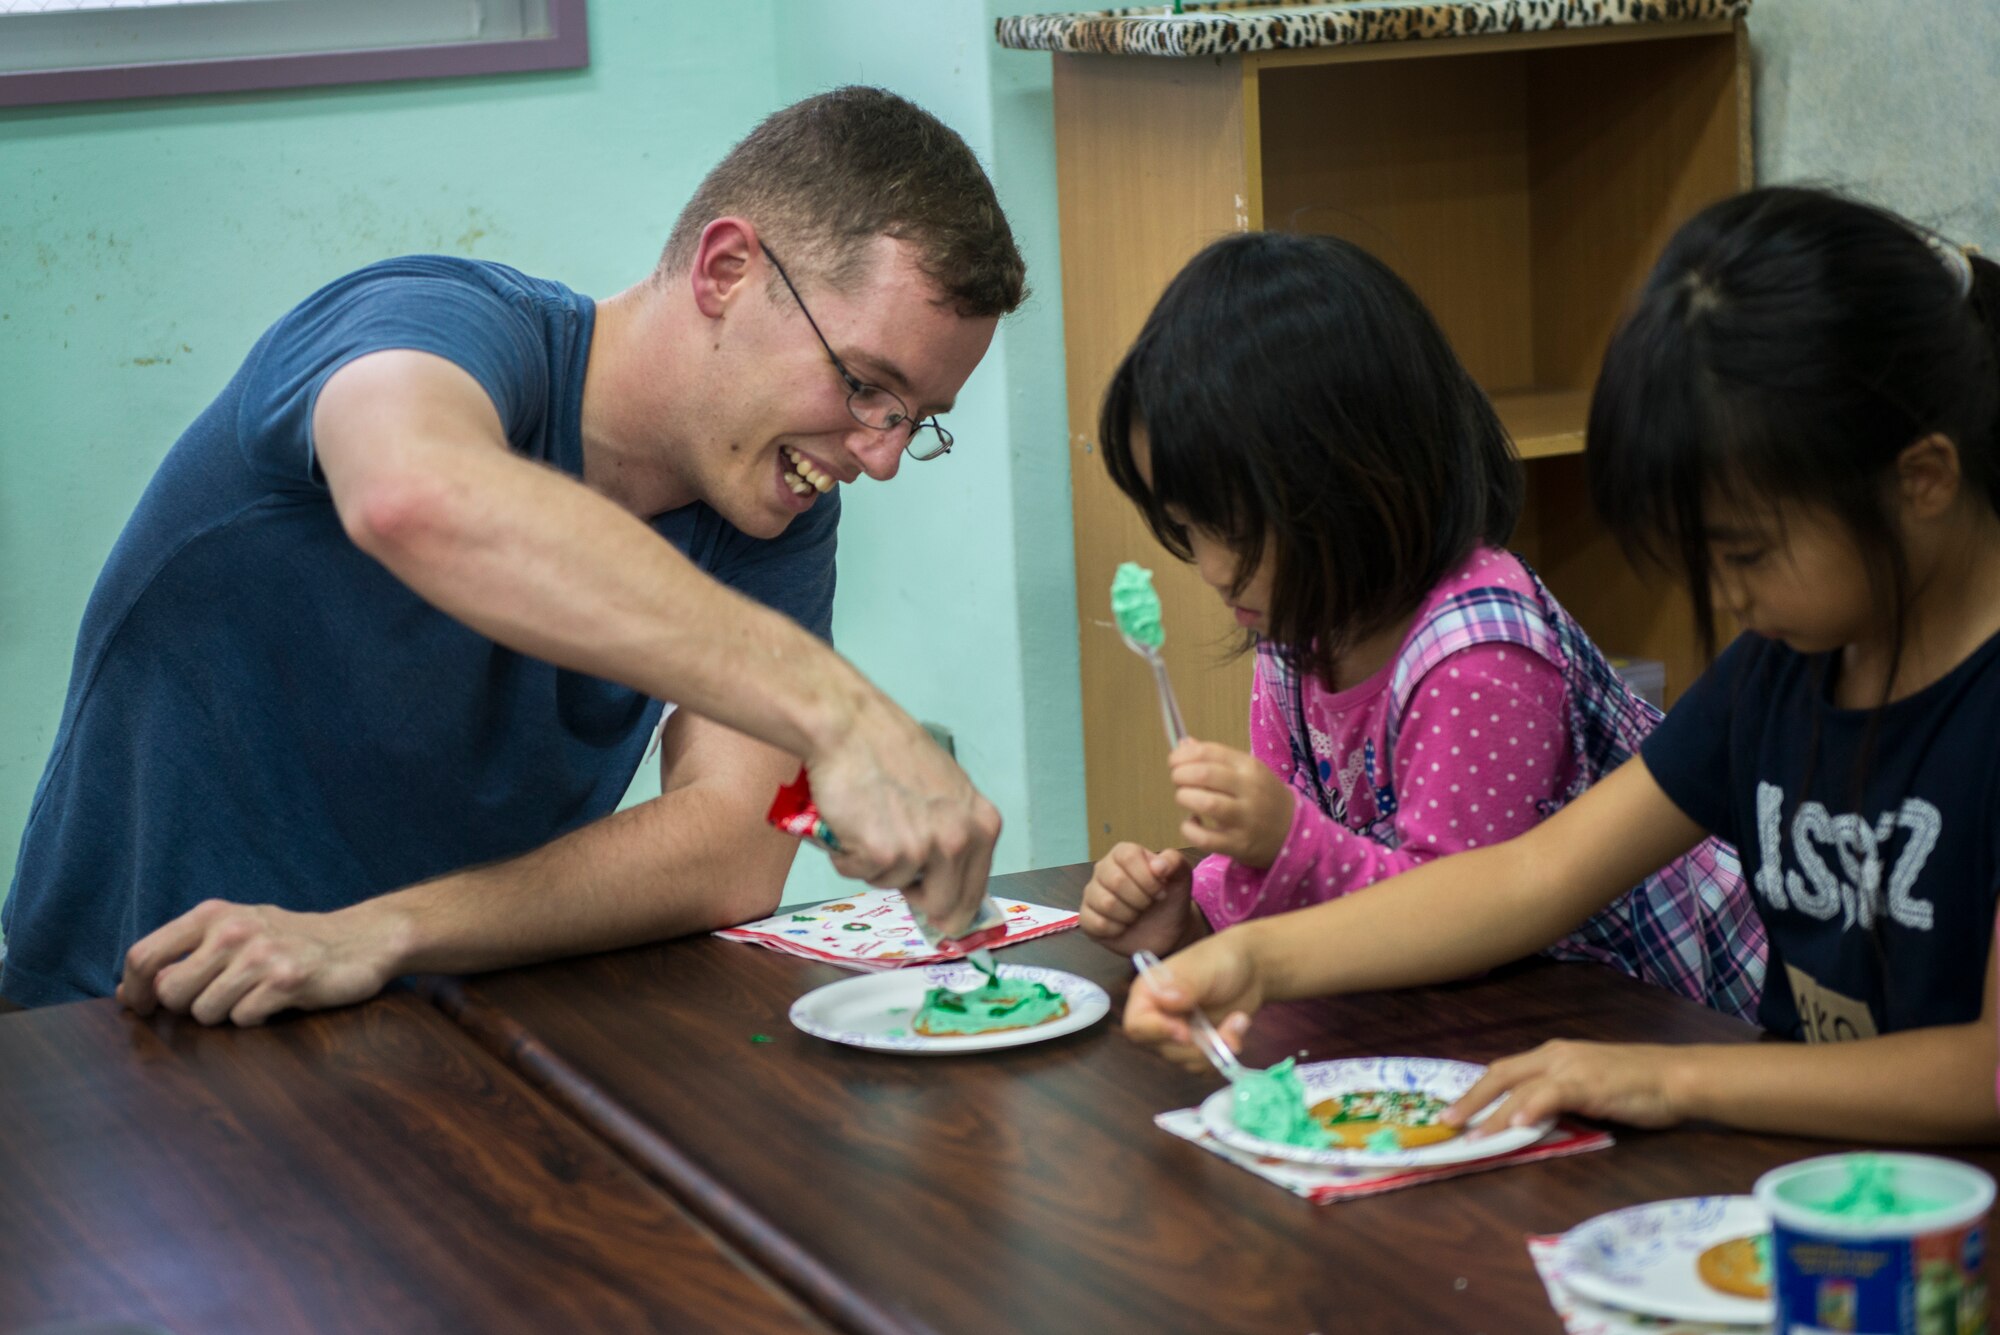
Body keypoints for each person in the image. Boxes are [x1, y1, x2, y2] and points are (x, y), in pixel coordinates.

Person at [0, 86, 1021, 1022]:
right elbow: (413, 493)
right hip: (126, 1015)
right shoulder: (432, 322)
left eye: (914, 418)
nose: (880, 455)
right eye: (862, 385)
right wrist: (839, 711)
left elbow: (729, 852)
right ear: (725, 271)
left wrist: (380, 932)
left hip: (416, 1018)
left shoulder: (769, 503)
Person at [1126, 189, 2000, 1144]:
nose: (1728, 599)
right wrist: (1255, 960)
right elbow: (1529, 877)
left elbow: (1983, 1073)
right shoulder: (1784, 666)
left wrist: (1674, 1079)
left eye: (1745, 553)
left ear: (1922, 480)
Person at [1080, 231, 1763, 1020]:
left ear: (1354, 477)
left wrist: (1285, 839)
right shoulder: (1297, 629)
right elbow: (1316, 889)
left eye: (1237, 527)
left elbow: (1461, 922)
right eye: (1188, 528)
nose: (1213, 569)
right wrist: (1194, 910)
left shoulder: (1481, 653)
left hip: (1655, 1011)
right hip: (1478, 1016)